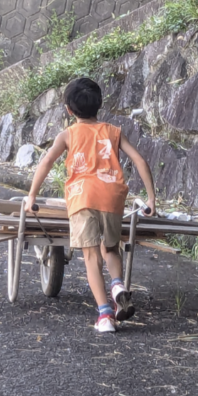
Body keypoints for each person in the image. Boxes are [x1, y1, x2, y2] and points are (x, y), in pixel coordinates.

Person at [24, 76, 157, 333]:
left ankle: (105, 315)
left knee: (91, 256)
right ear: (100, 105)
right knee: (111, 249)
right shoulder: (114, 132)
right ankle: (117, 285)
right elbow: (140, 161)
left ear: (68, 110)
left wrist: (31, 195)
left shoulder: (68, 135)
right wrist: (151, 199)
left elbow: (46, 162)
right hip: (112, 196)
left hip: (82, 197)